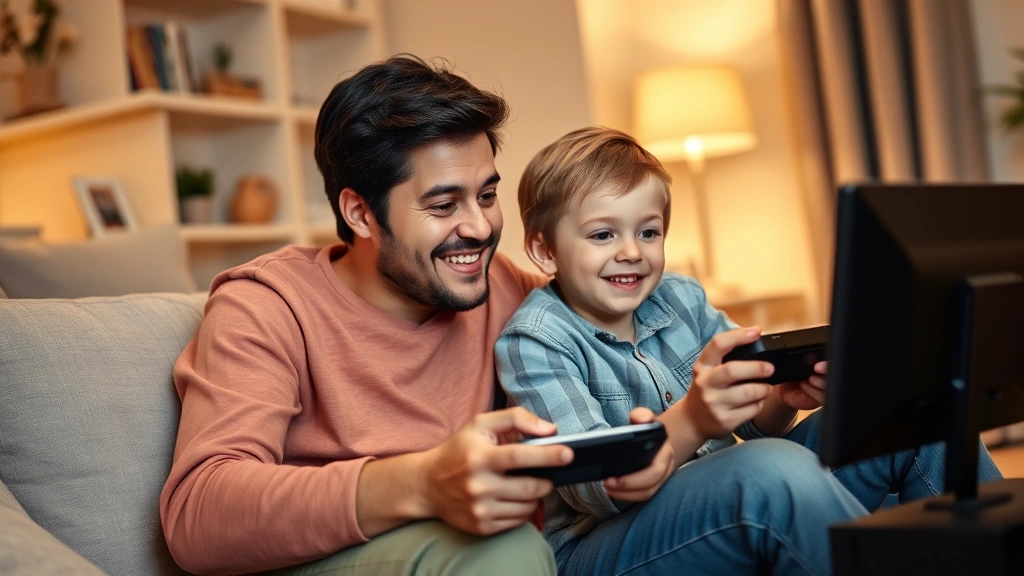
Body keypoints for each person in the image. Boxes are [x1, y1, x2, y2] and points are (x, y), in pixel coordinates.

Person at [495, 126, 1004, 576]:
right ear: (544, 250)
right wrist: (692, 417)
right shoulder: (535, 341)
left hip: (716, 502)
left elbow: (755, 422)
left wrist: (784, 396)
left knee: (919, 415)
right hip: (604, 548)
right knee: (769, 469)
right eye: (603, 234)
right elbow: (598, 488)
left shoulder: (681, 298)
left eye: (648, 232)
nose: (631, 250)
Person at [159, 55, 566, 575]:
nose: (481, 227)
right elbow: (200, 514)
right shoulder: (266, 305)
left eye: (486, 196)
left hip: (517, 548)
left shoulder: (504, 285)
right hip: (343, 558)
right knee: (505, 549)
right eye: (443, 206)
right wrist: (422, 483)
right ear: (359, 213)